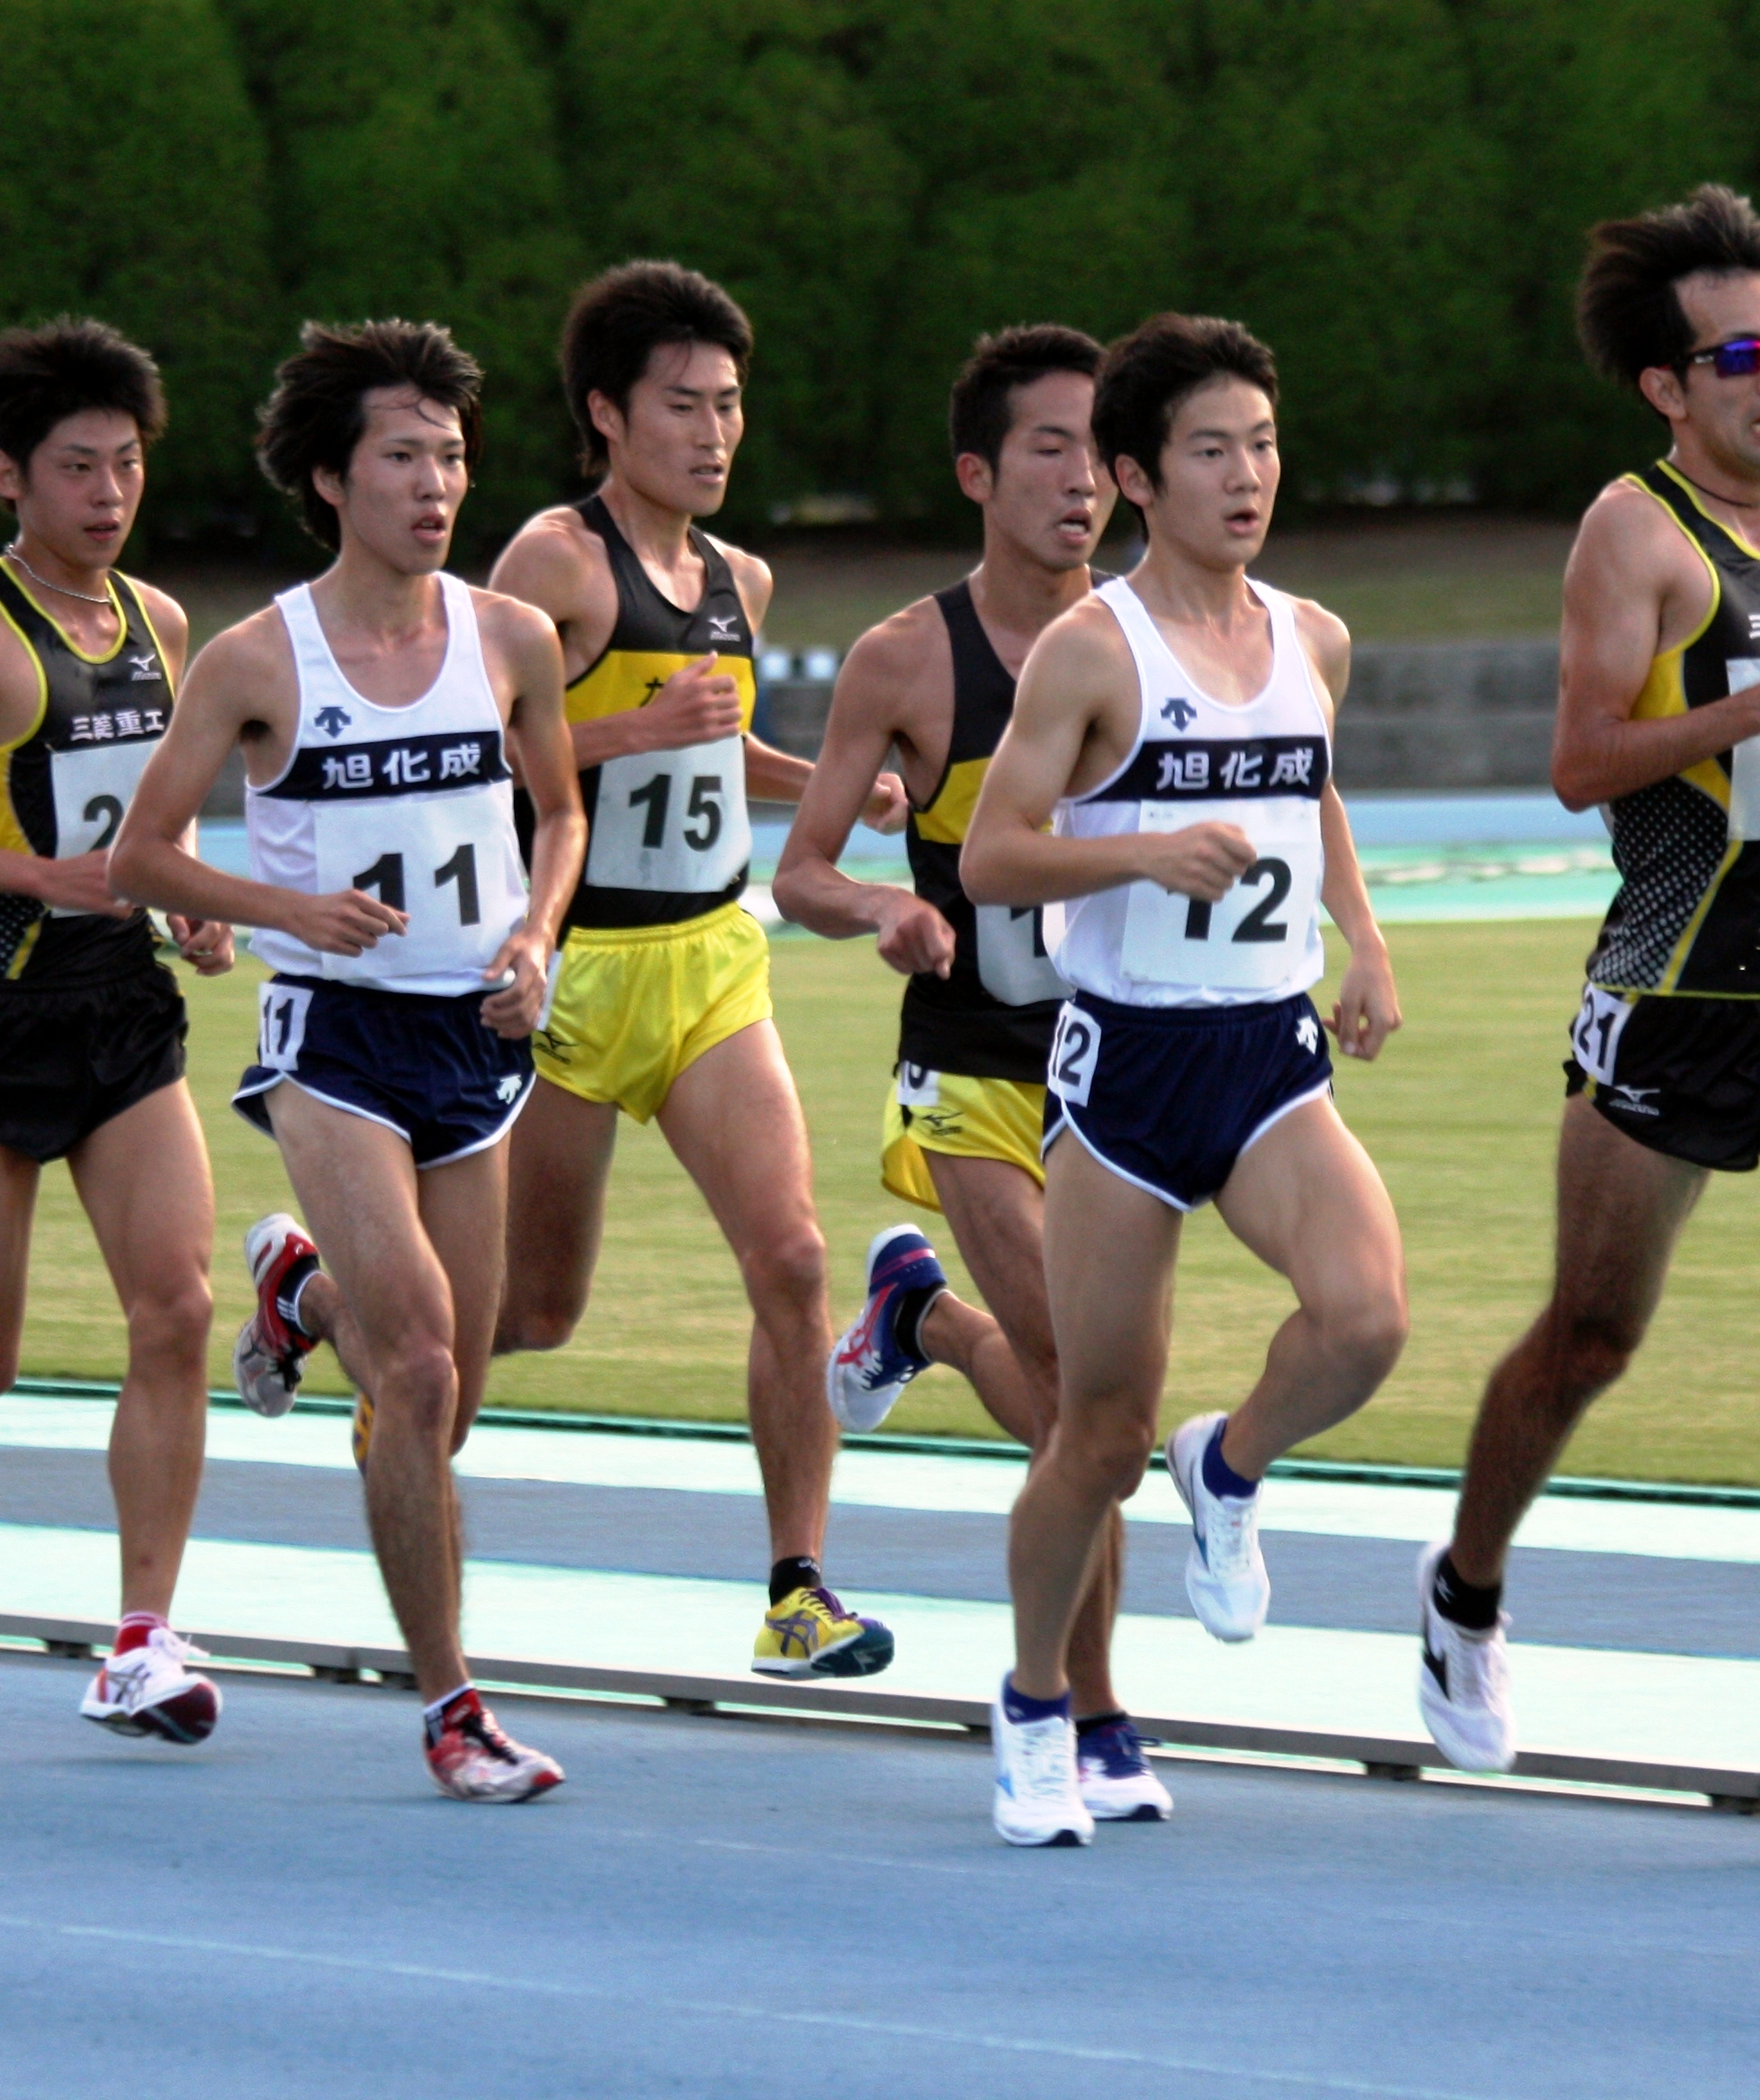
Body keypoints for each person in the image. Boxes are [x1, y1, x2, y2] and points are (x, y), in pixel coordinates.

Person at [1417, 184, 1760, 1776]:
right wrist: (1759, 700)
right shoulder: (1632, 532)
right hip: (1673, 986)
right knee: (1589, 1337)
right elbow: (1579, 763)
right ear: (1666, 388)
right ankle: (1465, 1595)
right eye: (1738, 357)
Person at [111, 319, 585, 1799]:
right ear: (331, 477)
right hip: (334, 1034)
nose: (436, 483)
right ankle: (453, 1706)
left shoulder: (513, 637)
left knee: (449, 1388)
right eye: (402, 456)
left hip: (478, 1030)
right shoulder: (261, 658)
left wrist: (536, 943)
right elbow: (141, 855)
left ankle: (296, 1289)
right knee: (427, 1356)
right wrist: (285, 907)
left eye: (450, 454)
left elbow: (559, 817)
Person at [960, 313, 1405, 1846]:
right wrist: (1143, 847)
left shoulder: (1312, 635)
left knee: (1366, 1317)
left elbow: (1309, 781)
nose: (1247, 476)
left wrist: (1364, 936)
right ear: (1138, 475)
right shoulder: (1098, 648)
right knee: (1092, 1429)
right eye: (1211, 450)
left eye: (1264, 445)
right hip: (1128, 1066)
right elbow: (989, 851)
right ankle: (1032, 1707)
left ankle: (1227, 1461)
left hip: (1266, 1051)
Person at [487, 261, 903, 1682]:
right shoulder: (552, 563)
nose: (716, 433)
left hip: (712, 957)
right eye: (684, 406)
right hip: (569, 970)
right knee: (530, 1313)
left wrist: (840, 788)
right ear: (605, 414)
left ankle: (799, 1587)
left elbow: (714, 748)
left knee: (791, 1260)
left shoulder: (742, 576)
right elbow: (457, 758)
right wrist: (629, 731)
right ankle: (317, 1299)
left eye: (730, 405)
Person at [774, 323, 1168, 1821]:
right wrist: (885, 904)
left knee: (1108, 1405)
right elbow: (802, 867)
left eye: (1098, 452)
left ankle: (917, 1318)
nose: (1082, 483)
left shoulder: (1150, 636)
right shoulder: (904, 656)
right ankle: (1094, 1709)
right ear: (977, 474)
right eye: (1049, 449)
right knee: (1081, 1394)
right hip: (968, 1075)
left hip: (1114, 1075)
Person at [0, 319, 230, 1744]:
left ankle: (141, 1638)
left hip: (117, 1003)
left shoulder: (160, 626)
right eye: (76, 466)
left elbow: (158, 816)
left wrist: (188, 898)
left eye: (126, 463)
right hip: (1, 992)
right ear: (10, 478)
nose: (107, 492)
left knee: (182, 1305)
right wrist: (33, 871)